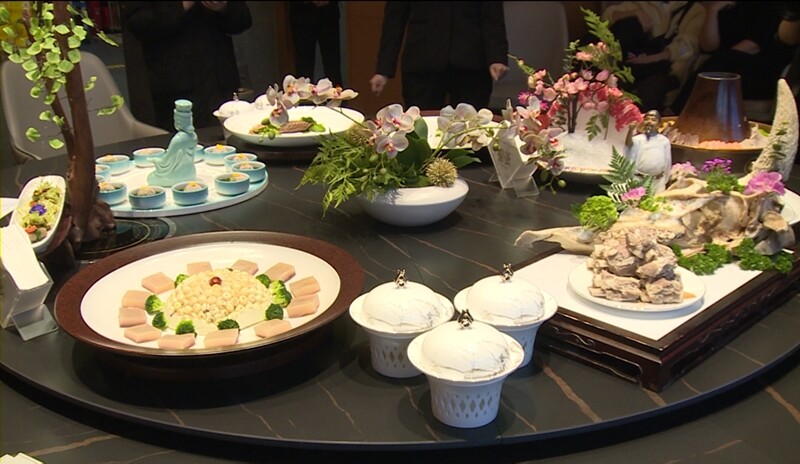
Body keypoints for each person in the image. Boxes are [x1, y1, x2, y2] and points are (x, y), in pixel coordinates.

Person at [121, 1, 252, 131]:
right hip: (176, 86)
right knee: (183, 140)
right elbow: (138, 23)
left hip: (221, 81)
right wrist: (182, 5)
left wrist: (224, 6)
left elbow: (243, 20)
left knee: (231, 137)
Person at [369, 2, 509, 111]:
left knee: (472, 130)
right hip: (422, 62)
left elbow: (493, 15)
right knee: (420, 127)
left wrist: (497, 57)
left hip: (472, 62)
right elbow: (394, 20)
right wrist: (383, 69)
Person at [669, 1, 797, 115]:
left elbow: (753, 46)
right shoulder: (728, 7)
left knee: (722, 61)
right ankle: (681, 114)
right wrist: (712, 10)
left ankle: (676, 112)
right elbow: (709, 46)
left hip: (762, 70)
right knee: (717, 64)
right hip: (724, 68)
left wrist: (720, 59)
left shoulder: (769, 7)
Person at [598, 1, 707, 113]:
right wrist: (635, 13)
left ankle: (648, 122)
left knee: (650, 89)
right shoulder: (647, 4)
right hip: (638, 63)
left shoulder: (695, 10)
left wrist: (652, 58)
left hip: (669, 68)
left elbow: (688, 46)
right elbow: (607, 16)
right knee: (618, 82)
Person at [288, 1, 343, 86]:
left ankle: (336, 93)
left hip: (328, 11)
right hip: (301, 12)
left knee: (333, 68)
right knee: (303, 71)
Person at [148, 100, 198, 188]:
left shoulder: (179, 139)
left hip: (177, 174)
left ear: (178, 121)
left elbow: (166, 160)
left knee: (150, 178)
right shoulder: (194, 136)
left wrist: (156, 160)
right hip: (191, 172)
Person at [624, 110, 672, 193]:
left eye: (653, 120)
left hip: (658, 181)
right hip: (639, 180)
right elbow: (628, 146)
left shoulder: (664, 141)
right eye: (647, 119)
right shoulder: (638, 139)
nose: (649, 122)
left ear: (658, 124)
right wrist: (630, 131)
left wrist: (666, 179)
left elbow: (668, 161)